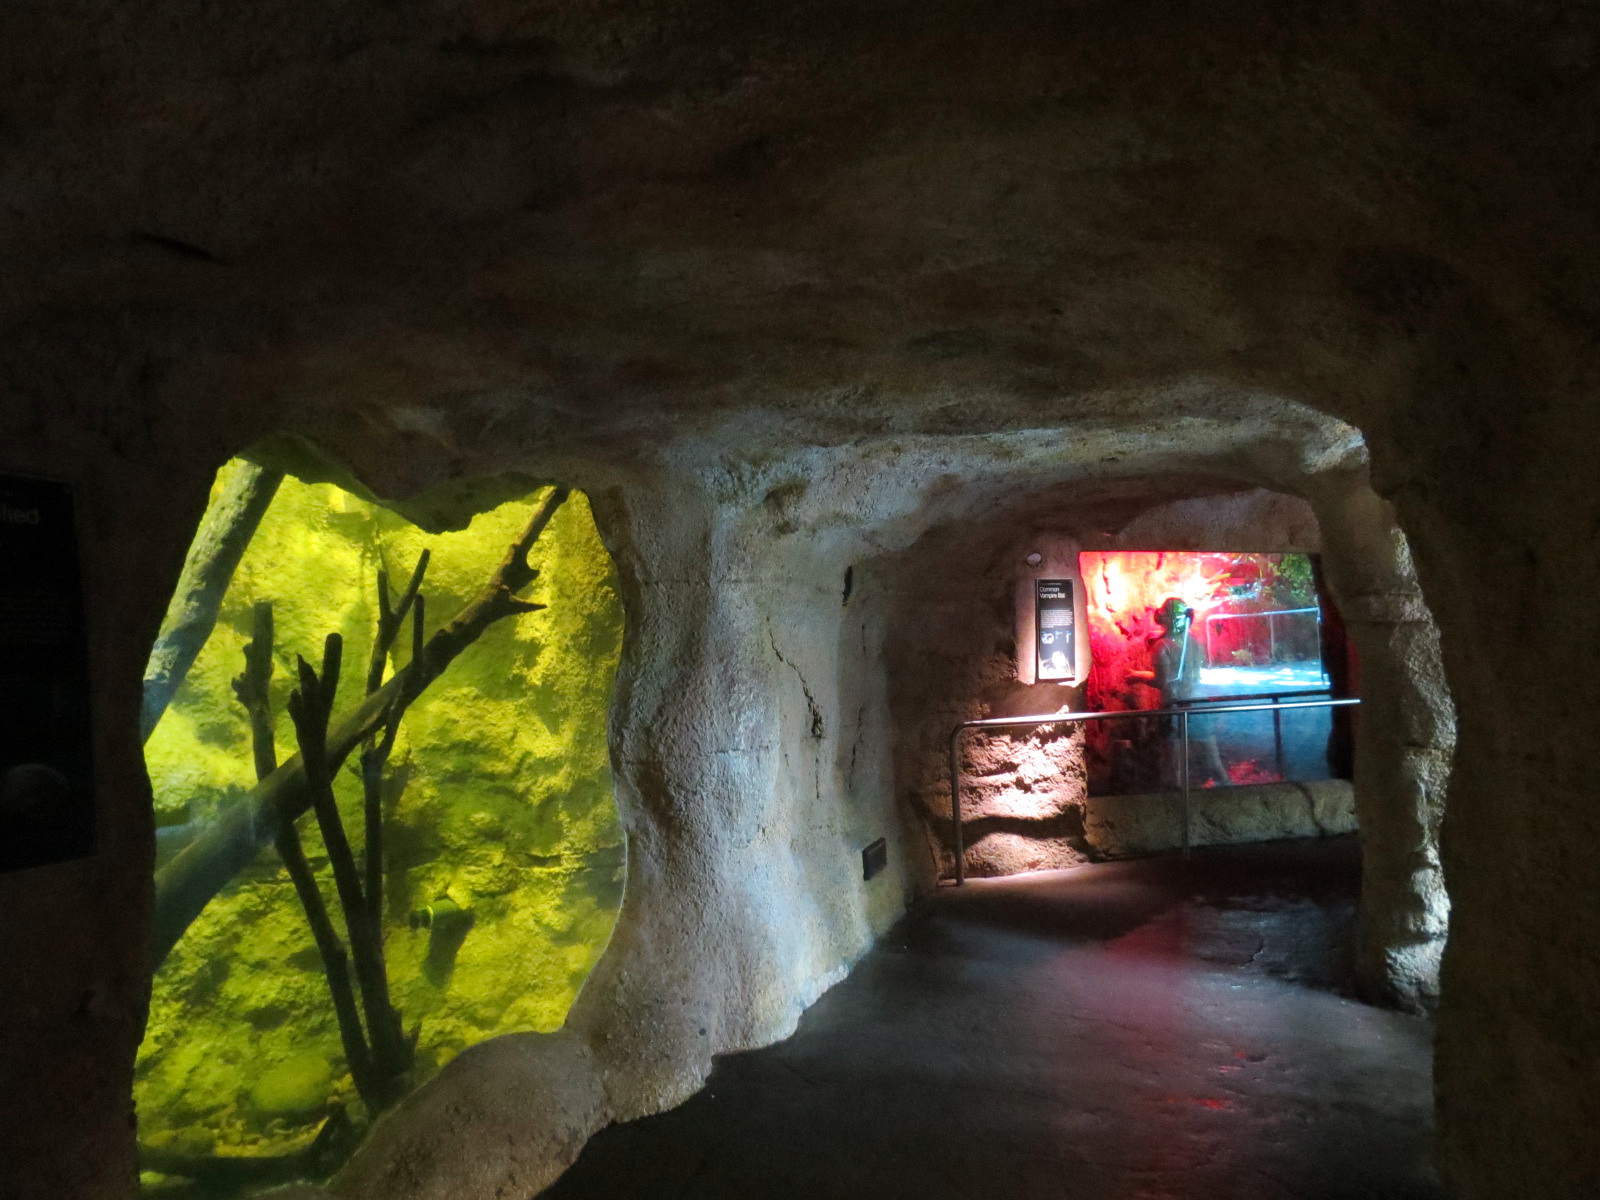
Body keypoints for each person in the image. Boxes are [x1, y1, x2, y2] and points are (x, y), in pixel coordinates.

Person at [1129, 598, 1228, 788]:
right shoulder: (1195, 643)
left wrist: (1138, 676)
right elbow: (1192, 674)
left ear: (1169, 618)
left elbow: (1163, 682)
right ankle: (1224, 783)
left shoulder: (1162, 647)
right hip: (1197, 700)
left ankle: (1177, 794)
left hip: (1173, 705)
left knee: (1173, 755)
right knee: (1209, 749)